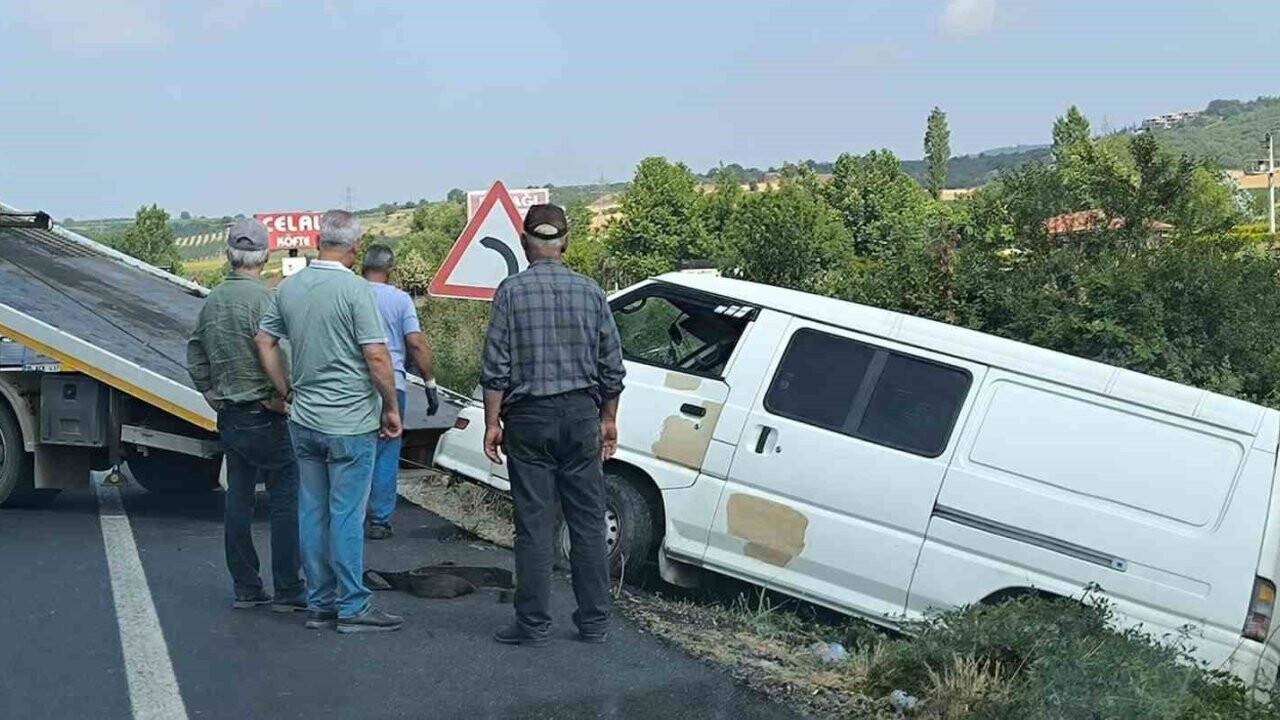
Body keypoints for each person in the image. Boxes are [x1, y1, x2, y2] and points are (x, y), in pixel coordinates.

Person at [480, 203, 626, 646]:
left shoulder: (510, 291)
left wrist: (492, 423)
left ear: (525, 243)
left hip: (529, 421)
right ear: (565, 243)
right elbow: (612, 367)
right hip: (581, 418)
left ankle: (533, 624)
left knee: (534, 524)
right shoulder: (592, 292)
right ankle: (595, 623)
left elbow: (495, 365)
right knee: (587, 523)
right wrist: (608, 419)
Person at [254, 210, 404, 634]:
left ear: (320, 241)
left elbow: (265, 341)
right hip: (350, 422)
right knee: (346, 514)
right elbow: (376, 356)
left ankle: (319, 603)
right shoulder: (357, 291)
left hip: (304, 420)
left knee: (312, 510)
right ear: (354, 250)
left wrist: (285, 389)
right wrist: (390, 407)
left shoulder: (290, 287)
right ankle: (353, 605)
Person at [186, 218, 304, 612]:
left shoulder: (214, 299)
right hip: (266, 415)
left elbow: (195, 351)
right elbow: (278, 352)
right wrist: (284, 394)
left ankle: (247, 587)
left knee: (238, 499)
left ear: (228, 255)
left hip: (232, 416)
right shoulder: (267, 300)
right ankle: (288, 589)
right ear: (265, 255)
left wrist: (212, 393)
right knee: (285, 499)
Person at [360, 243, 440, 540]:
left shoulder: (349, 293)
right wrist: (429, 382)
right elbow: (416, 344)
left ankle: (348, 516)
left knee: (357, 451)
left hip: (355, 386)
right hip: (393, 384)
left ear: (362, 266)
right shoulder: (399, 299)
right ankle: (379, 520)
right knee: (386, 452)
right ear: (390, 270)